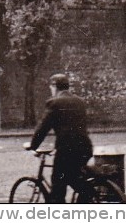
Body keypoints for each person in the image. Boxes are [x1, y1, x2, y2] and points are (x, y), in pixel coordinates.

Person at [25, 73, 94, 203]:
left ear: (54, 87)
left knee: (58, 186)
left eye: (51, 87)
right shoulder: (80, 102)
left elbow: (43, 127)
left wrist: (33, 145)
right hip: (85, 148)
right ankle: (88, 194)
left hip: (67, 150)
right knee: (72, 177)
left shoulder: (54, 103)